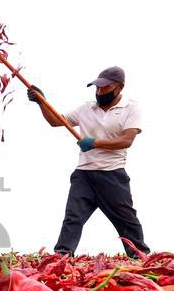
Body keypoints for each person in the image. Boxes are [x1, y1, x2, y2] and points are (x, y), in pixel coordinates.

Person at [28, 66, 150, 258]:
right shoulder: (87, 108)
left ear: (119, 87)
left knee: (126, 220)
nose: (100, 92)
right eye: (97, 88)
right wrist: (41, 102)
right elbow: (56, 121)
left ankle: (139, 255)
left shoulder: (131, 108)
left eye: (105, 88)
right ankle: (63, 255)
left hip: (112, 174)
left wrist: (94, 143)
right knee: (72, 217)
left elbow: (126, 140)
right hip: (84, 173)